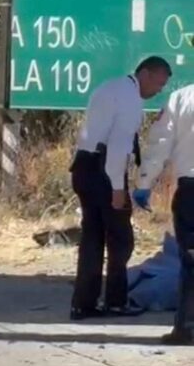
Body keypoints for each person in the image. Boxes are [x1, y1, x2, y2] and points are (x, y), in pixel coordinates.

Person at [70, 56, 172, 320]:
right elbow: (117, 147)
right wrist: (117, 188)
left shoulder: (110, 87)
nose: (158, 91)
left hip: (83, 166)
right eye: (158, 84)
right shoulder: (129, 99)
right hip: (104, 170)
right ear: (146, 74)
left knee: (93, 238)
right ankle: (116, 301)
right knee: (121, 240)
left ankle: (84, 303)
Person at [133, 84, 194, 344]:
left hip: (191, 190)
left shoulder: (181, 99)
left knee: (191, 261)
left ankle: (186, 327)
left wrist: (144, 184)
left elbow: (160, 144)